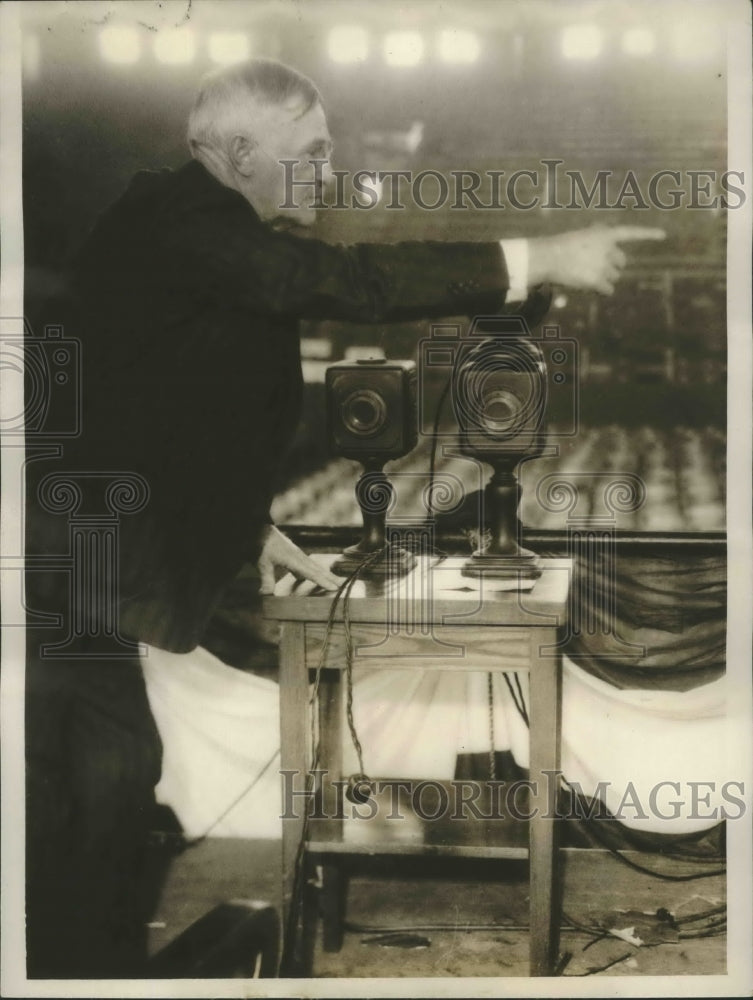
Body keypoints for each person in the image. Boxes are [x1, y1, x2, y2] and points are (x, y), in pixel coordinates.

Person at [24, 56, 664, 977]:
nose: (328, 171)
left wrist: (256, 535)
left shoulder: (200, 238)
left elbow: (160, 420)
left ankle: (85, 967)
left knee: (110, 786)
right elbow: (348, 282)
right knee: (101, 787)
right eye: (310, 152)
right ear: (238, 153)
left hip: (83, 552)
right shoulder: (188, 220)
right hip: (62, 560)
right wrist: (538, 259)